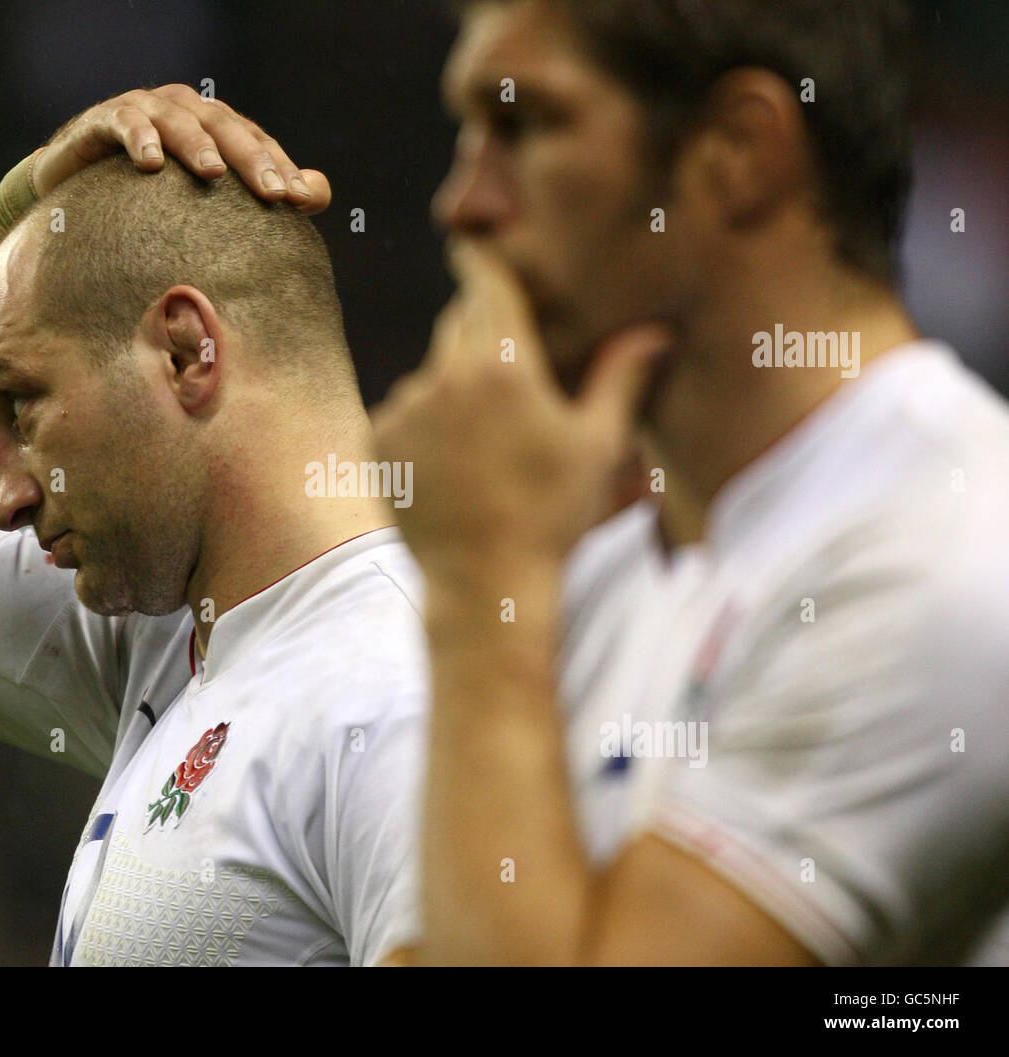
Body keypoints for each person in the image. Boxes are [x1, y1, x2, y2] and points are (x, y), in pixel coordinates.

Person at [374, 0, 1009, 964]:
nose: (463, 203)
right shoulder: (601, 579)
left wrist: (480, 584)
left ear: (741, 152)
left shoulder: (954, 553)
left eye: (525, 125)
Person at [0, 86, 423, 967]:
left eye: (20, 405)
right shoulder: (164, 635)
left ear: (186, 353)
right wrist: (20, 200)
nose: (4, 500)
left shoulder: (402, 696)